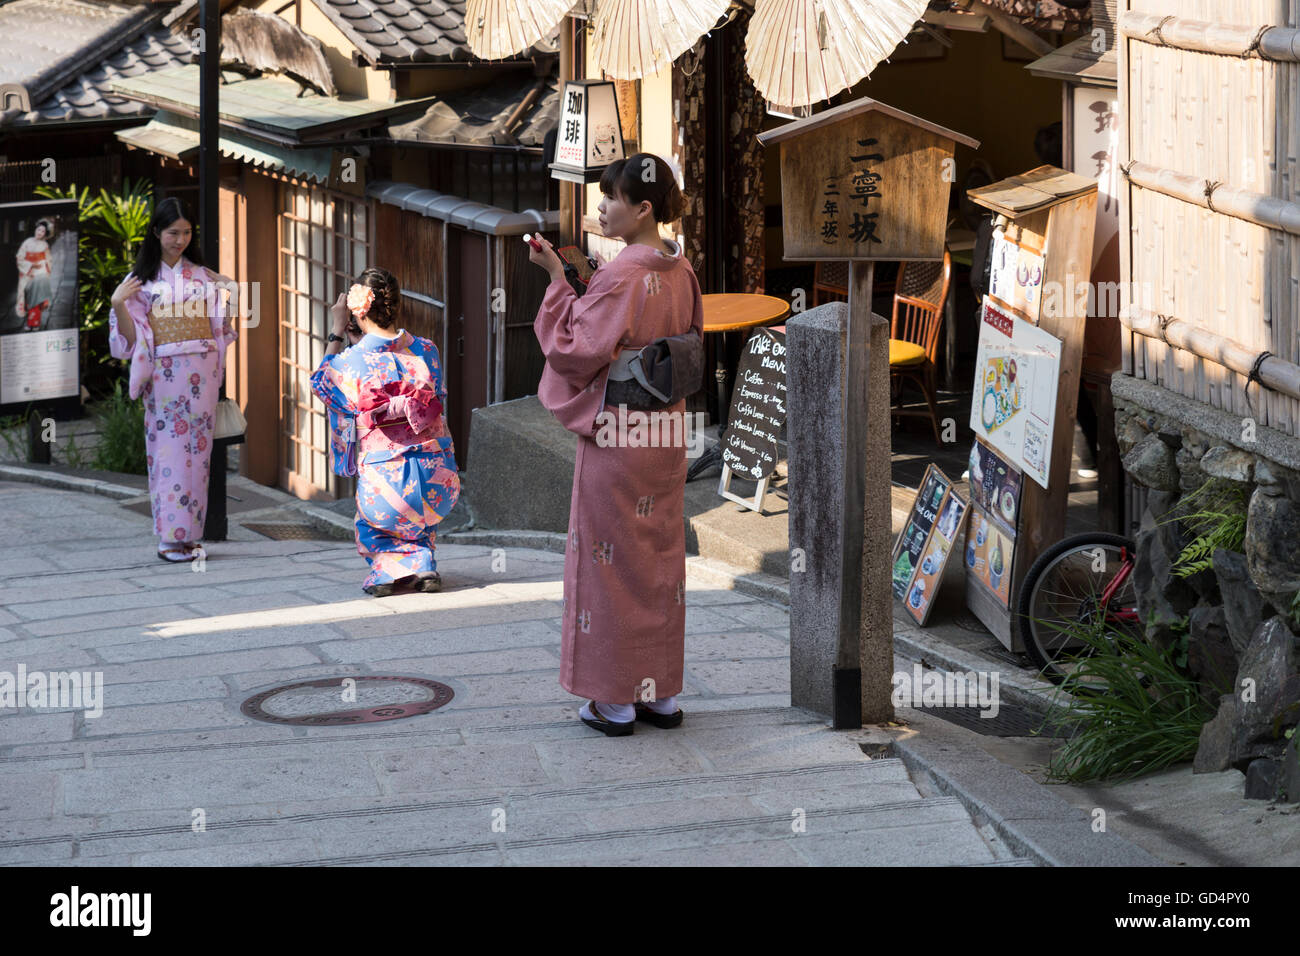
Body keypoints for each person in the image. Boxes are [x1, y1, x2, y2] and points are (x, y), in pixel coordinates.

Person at [529, 152, 703, 737]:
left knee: (608, 562)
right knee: (656, 560)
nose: (601, 207)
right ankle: (659, 695)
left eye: (611, 198)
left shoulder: (622, 274)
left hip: (618, 435)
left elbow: (575, 349)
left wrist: (558, 283)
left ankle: (615, 700)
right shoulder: (682, 269)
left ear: (643, 208)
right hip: (667, 431)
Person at [310, 267, 459, 596]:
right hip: (438, 479)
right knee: (418, 516)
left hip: (386, 482)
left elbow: (321, 383)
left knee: (371, 521)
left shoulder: (350, 362)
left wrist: (336, 332)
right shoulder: (426, 350)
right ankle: (423, 565)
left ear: (357, 314)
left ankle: (385, 573)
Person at [108, 198, 237, 562]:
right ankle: (170, 539)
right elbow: (129, 342)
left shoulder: (201, 275)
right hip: (165, 379)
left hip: (203, 374)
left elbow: (229, 325)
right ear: (155, 233)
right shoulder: (140, 283)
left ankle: (190, 536)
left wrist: (232, 288)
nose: (179, 240)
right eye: (172, 233)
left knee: (199, 454)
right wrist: (119, 304)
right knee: (170, 454)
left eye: (186, 232)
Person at [15, 219, 54, 331]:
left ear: (44, 234)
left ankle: (35, 323)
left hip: (40, 273)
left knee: (37, 298)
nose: (40, 232)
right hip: (28, 272)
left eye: (42, 231)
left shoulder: (45, 245)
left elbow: (48, 260)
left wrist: (45, 270)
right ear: (35, 229)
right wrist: (30, 266)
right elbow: (19, 257)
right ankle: (29, 321)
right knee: (26, 297)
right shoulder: (27, 242)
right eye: (39, 229)